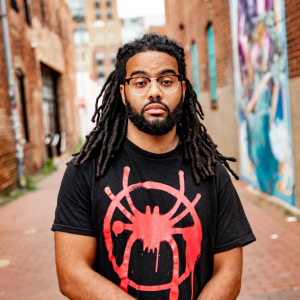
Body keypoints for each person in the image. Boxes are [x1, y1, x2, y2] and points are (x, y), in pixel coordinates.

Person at [52, 34, 256, 300]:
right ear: (123, 94)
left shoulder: (210, 172)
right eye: (140, 82)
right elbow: (71, 274)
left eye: (166, 81)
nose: (154, 91)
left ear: (182, 89)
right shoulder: (85, 171)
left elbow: (229, 272)